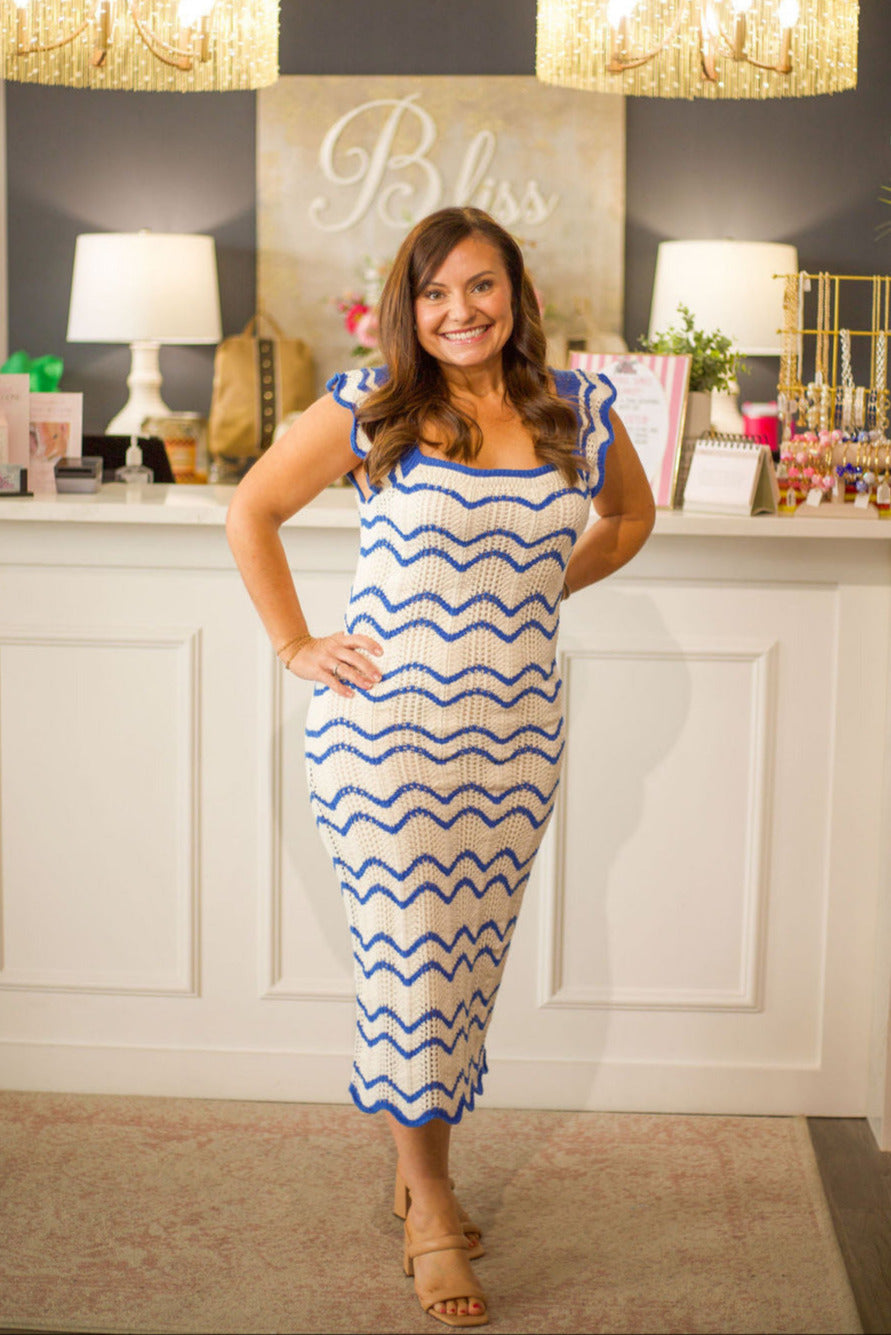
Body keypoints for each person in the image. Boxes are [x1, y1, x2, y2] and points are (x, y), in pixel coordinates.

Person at [226, 206, 655, 1328]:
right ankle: (427, 1202)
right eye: (434, 293)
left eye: (480, 286)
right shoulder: (373, 407)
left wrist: (538, 591)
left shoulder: (578, 410)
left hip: (516, 742)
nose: (460, 311)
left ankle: (418, 1169)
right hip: (384, 740)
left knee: (464, 966)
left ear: (518, 294)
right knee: (415, 964)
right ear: (406, 308)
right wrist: (296, 645)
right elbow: (252, 509)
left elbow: (628, 517)